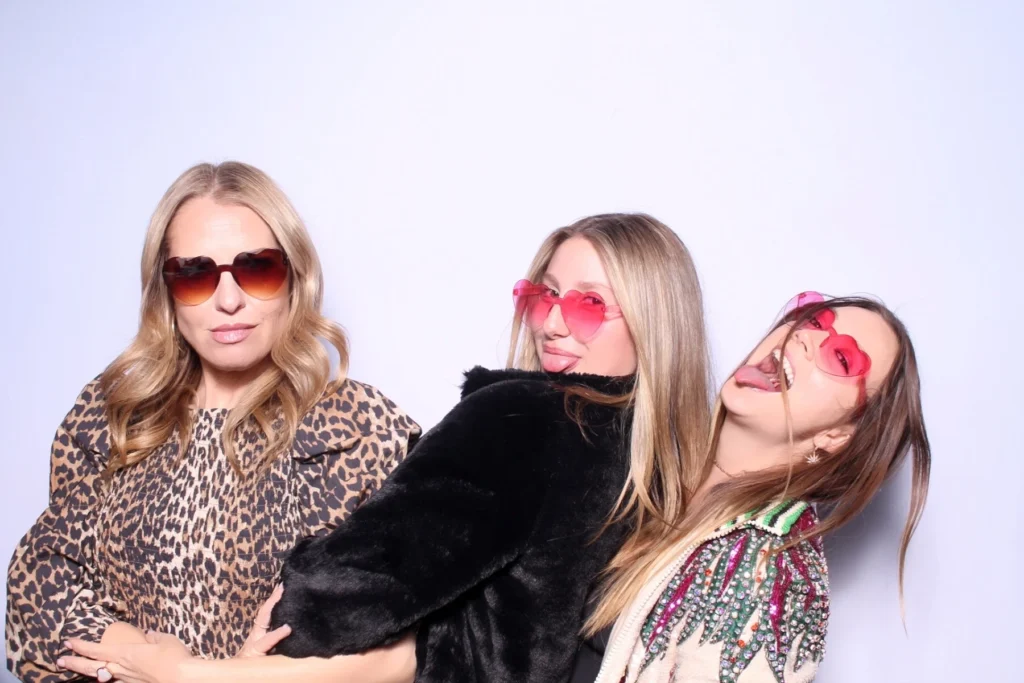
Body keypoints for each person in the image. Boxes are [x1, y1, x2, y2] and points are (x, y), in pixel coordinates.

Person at [61, 212, 714, 683]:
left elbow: (345, 587)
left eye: (591, 305)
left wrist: (201, 664)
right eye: (543, 293)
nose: (551, 321)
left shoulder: (524, 417)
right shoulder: (652, 459)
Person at [5, 161, 420, 683]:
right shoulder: (113, 413)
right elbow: (38, 589)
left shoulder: (363, 428)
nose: (228, 300)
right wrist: (148, 659)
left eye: (257, 268)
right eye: (195, 274)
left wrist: (192, 675)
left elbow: (412, 651)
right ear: (166, 290)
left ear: (295, 276)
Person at [590, 291, 931, 683]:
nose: (805, 336)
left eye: (841, 357)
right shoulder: (649, 470)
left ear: (838, 435)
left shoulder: (773, 572)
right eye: (812, 319)